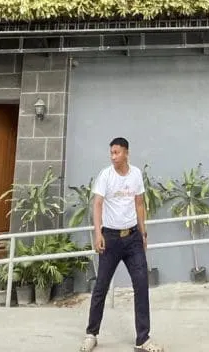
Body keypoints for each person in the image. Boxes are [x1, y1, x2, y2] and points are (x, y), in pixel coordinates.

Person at [79, 137, 163, 352]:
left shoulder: (135, 174)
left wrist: (143, 233)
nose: (113, 156)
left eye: (116, 152)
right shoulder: (105, 176)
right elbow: (97, 205)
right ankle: (91, 334)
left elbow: (139, 203)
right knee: (101, 286)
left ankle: (143, 339)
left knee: (141, 285)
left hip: (133, 237)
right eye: (111, 153)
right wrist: (98, 233)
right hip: (111, 238)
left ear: (126, 153)